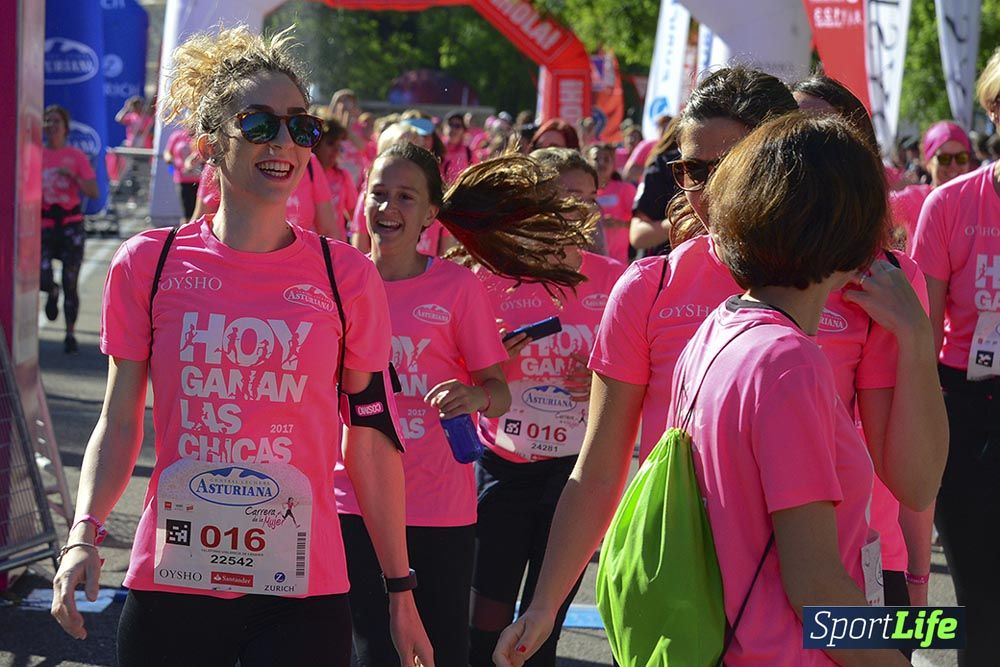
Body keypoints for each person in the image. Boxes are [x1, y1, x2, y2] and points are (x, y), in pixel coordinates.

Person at [492, 67, 946, 663]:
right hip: (707, 601)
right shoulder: (653, 289)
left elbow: (913, 485)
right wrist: (546, 605)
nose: (700, 192)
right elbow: (599, 470)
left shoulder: (868, 278)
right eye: (687, 170)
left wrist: (914, 337)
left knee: (965, 629)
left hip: (842, 590)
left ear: (779, 160)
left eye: (722, 167)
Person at [49, 25, 433, 667]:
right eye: (259, 124)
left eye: (298, 126)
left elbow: (368, 439)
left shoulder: (348, 277)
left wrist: (401, 590)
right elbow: (119, 421)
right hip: (174, 578)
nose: (283, 142)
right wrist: (83, 533)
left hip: (300, 590)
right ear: (208, 144)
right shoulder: (150, 264)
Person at [341, 140, 596, 666]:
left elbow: (498, 394)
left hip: (438, 506)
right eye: (378, 194)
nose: (389, 208)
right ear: (360, 200)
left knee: (441, 653)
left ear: (432, 212)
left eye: (406, 197)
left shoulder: (456, 287)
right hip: (352, 498)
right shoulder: (339, 279)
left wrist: (474, 394)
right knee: (371, 653)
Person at [468, 147, 625, 667]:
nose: (571, 211)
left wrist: (601, 377)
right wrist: (487, 358)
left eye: (583, 198)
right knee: (484, 625)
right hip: (502, 469)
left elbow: (635, 375)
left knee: (544, 629)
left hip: (577, 477)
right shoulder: (493, 275)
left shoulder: (614, 280)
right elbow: (454, 370)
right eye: (559, 199)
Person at [911, 46, 1000, 667]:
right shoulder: (951, 205)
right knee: (977, 599)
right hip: (966, 405)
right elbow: (921, 333)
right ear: (995, 109)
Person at [41, 104, 99, 354]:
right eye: (48, 121)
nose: (51, 126)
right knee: (41, 275)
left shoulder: (75, 157)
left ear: (65, 128)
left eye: (56, 122)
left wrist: (73, 177)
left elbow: (93, 192)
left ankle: (70, 333)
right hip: (43, 224)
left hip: (70, 224)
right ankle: (51, 292)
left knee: (70, 281)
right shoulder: (35, 155)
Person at [193, 150, 340, 238]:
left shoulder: (308, 163)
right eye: (258, 124)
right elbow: (199, 225)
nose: (282, 141)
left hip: (301, 270)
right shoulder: (219, 165)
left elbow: (328, 228)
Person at [890, 121, 973, 251]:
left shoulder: (979, 201)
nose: (953, 165)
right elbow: (870, 213)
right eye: (944, 158)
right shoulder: (914, 198)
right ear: (928, 163)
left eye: (961, 157)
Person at [587, 143, 637, 264]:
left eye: (606, 159)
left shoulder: (626, 189)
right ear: (587, 162)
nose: (601, 163)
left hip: (619, 262)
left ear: (613, 163)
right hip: (590, 260)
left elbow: (639, 224)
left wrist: (620, 224)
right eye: (596, 159)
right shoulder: (583, 191)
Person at [312, 115, 357, 240]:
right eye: (330, 143)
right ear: (316, 144)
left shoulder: (342, 176)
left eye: (339, 145)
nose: (336, 150)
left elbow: (355, 215)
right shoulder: (302, 175)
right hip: (308, 250)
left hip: (335, 250)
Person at [163, 127, 203, 219]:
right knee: (187, 213)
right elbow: (167, 152)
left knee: (199, 213)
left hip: (200, 180)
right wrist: (169, 159)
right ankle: (186, 231)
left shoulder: (200, 136)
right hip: (183, 179)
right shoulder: (177, 136)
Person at [441, 111, 474, 181]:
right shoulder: (437, 148)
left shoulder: (469, 153)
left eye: (457, 126)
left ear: (464, 131)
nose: (453, 129)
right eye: (450, 124)